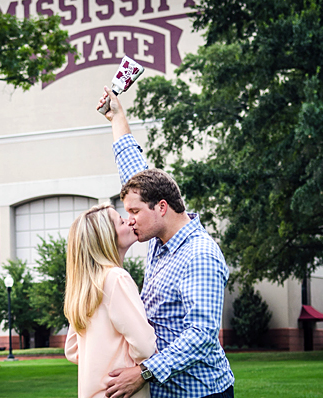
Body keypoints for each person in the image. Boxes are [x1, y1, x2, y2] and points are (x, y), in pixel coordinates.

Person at [97, 86, 235, 398]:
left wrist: (143, 372)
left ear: (162, 207)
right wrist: (117, 117)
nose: (129, 218)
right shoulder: (159, 237)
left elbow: (201, 335)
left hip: (199, 393)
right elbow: (135, 172)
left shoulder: (200, 254)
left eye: (134, 211)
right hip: (165, 391)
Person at [64, 203, 157, 398]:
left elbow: (72, 350)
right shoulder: (116, 278)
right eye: (121, 221)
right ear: (106, 237)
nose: (130, 221)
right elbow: (146, 347)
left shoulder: (85, 287)